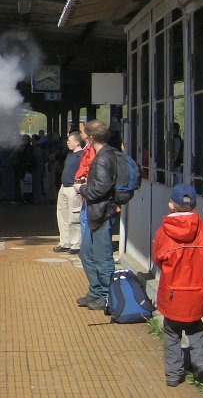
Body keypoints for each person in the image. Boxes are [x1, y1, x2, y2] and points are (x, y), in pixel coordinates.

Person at [152, 183, 203, 387]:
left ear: (170, 205)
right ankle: (201, 364)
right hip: (197, 291)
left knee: (172, 333)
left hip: (173, 293)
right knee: (196, 329)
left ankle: (174, 375)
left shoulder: (163, 232)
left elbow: (157, 259)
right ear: (194, 205)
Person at [73, 119, 117, 310]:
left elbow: (99, 189)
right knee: (87, 253)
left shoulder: (103, 158)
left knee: (102, 257)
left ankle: (107, 296)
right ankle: (96, 291)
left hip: (102, 213)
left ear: (90, 138)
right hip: (96, 213)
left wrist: (81, 187)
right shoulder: (106, 155)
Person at [53, 132, 83, 254]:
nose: (67, 142)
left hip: (73, 188)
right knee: (62, 216)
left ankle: (76, 243)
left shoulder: (82, 155)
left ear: (77, 142)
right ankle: (65, 242)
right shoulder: (69, 155)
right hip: (64, 187)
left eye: (70, 140)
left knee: (74, 217)